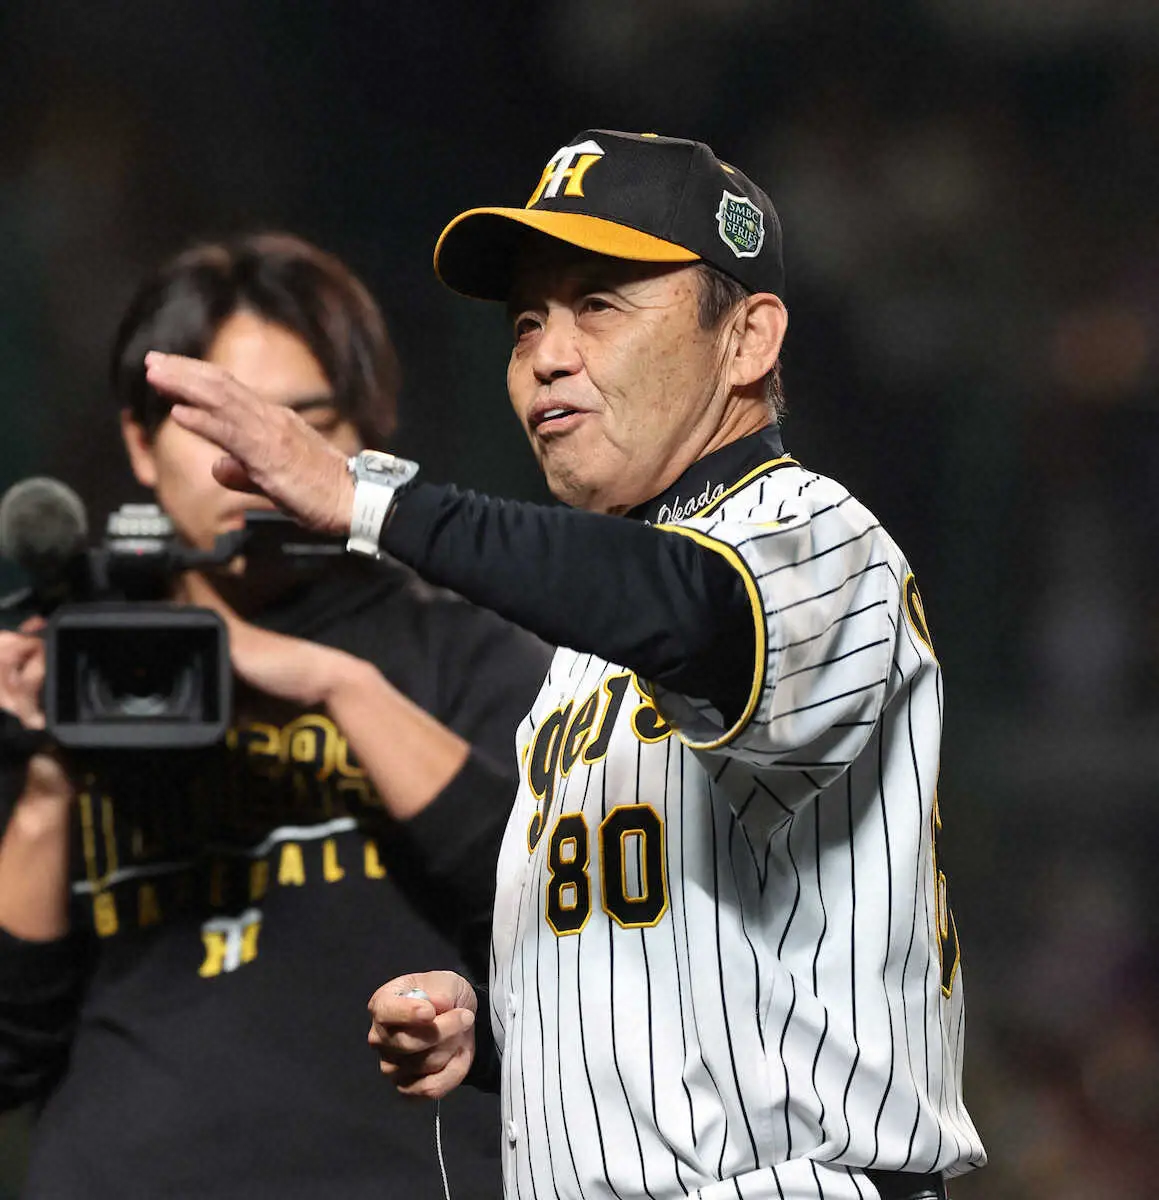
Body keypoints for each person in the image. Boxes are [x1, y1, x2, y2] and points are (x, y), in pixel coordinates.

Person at [142, 132, 987, 1200]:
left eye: (599, 303)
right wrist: (487, 1031)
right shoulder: (578, 658)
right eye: (526, 320)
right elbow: (672, 968)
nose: (546, 352)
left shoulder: (814, 537)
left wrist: (364, 495)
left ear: (747, 338)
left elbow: (681, 605)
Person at [0, 232, 551, 1198]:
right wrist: (46, 781)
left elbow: (563, 925)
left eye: (301, 419)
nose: (248, 458)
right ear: (139, 440)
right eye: (209, 421)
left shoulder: (465, 647)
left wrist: (339, 684)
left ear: (364, 439)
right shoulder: (63, 662)